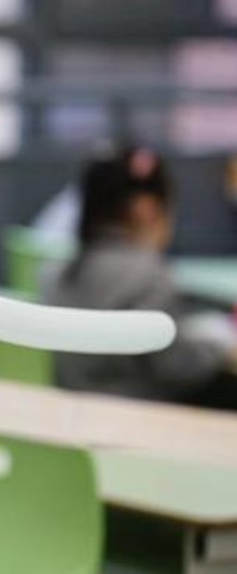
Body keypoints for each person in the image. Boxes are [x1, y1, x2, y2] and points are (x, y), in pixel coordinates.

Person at [45, 144, 237, 407]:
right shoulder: (148, 275)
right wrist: (218, 350)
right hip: (136, 421)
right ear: (146, 209)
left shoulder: (59, 273)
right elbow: (175, 366)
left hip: (75, 418)